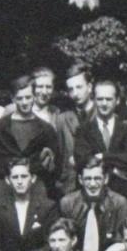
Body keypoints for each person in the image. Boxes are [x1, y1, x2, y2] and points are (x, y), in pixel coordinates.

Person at [0, 75, 62, 198]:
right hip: (4, 191)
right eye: (20, 98)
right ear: (13, 99)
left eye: (28, 97)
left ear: (34, 97)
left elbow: (56, 167)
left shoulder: (46, 130)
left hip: (37, 192)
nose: (24, 102)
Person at [73, 79, 127, 213]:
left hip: (124, 194)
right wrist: (116, 169)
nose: (104, 104)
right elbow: (83, 160)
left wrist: (102, 156)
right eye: (100, 99)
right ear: (94, 100)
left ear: (117, 101)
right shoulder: (83, 130)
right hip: (92, 195)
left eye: (108, 99)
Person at [0, 158, 59, 251]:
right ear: (8, 180)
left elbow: (51, 244)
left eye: (24, 176)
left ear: (33, 178)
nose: (19, 181)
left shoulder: (47, 207)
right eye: (15, 177)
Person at [58, 155, 127, 251]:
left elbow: (121, 243)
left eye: (97, 178)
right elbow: (64, 240)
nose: (92, 184)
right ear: (80, 180)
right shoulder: (68, 203)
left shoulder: (119, 203)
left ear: (106, 179)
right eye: (88, 179)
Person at [53, 62, 95, 194]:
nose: (75, 93)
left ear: (89, 87)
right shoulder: (62, 119)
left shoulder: (103, 116)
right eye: (71, 89)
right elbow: (59, 156)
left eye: (79, 87)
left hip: (97, 183)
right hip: (70, 187)